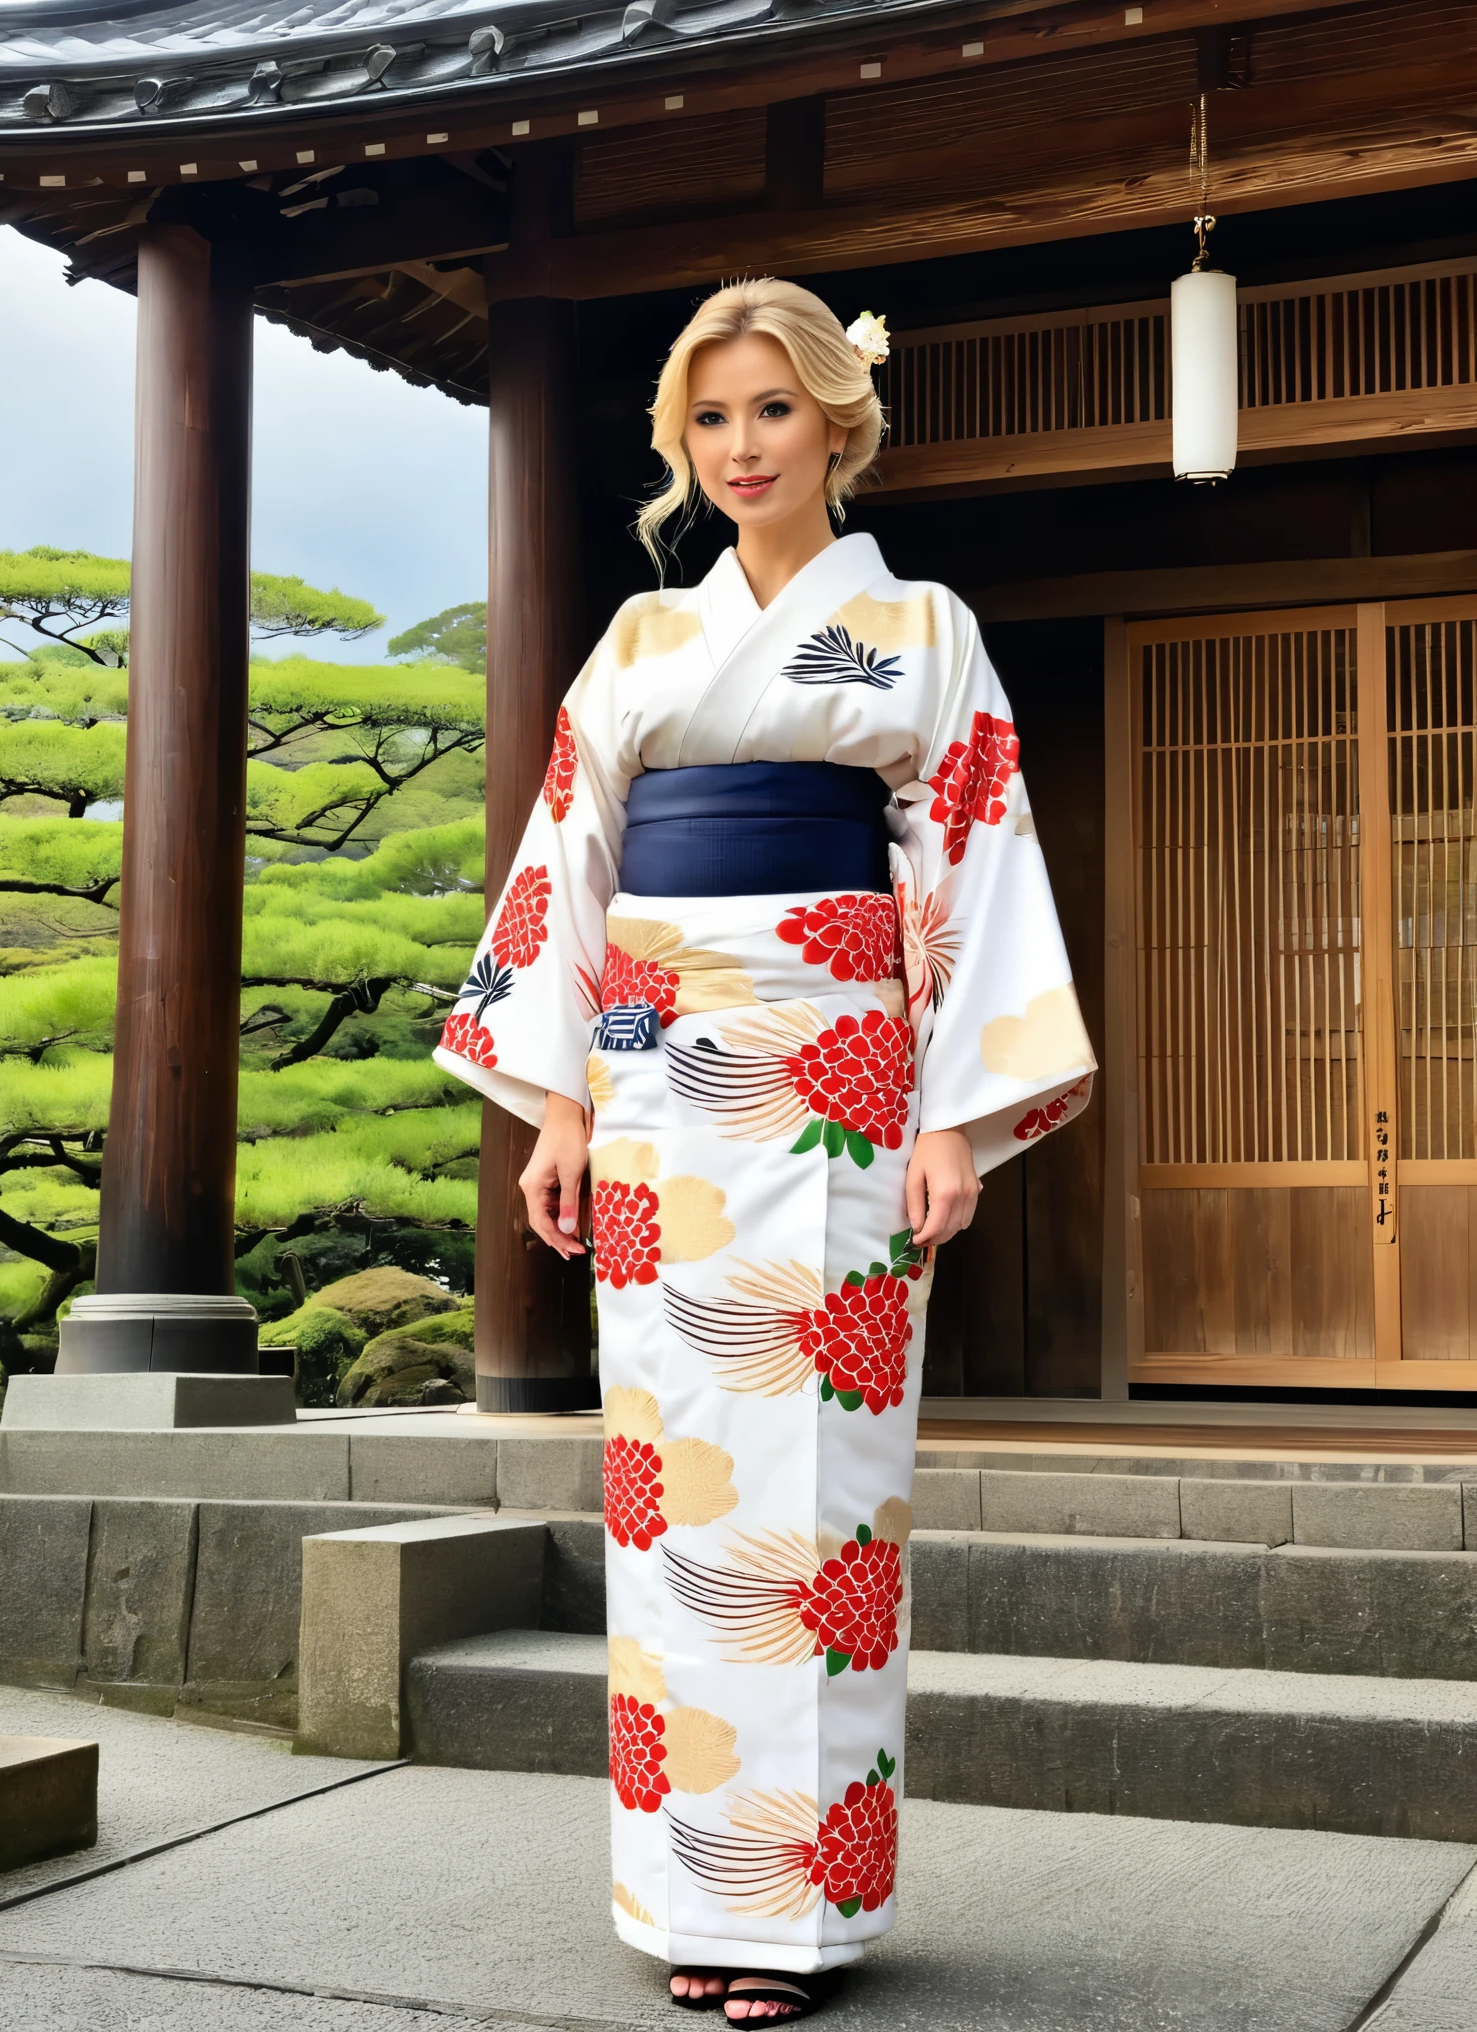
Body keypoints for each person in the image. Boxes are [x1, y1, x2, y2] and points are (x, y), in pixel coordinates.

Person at [436, 278, 1093, 2021]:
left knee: (821, 1494)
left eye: (772, 412)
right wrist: (560, 1102)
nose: (741, 447)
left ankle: (797, 1915)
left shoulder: (924, 626)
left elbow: (972, 853)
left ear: (837, 422)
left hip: (835, 1072)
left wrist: (954, 1112)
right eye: (709, 419)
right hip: (653, 1072)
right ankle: (687, 1898)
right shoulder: (644, 641)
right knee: (671, 1482)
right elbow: (570, 858)